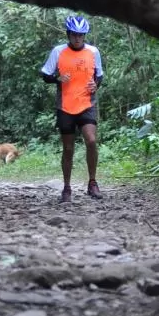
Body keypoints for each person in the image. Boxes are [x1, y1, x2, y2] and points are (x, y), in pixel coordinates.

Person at [39, 15, 104, 202]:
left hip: (87, 104)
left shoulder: (93, 51)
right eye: (74, 35)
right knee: (68, 148)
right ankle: (66, 188)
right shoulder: (58, 51)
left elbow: (99, 75)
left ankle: (92, 183)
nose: (78, 38)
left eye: (81, 35)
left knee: (91, 141)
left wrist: (96, 85)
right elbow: (45, 74)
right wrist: (56, 79)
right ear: (68, 34)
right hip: (66, 106)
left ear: (85, 36)